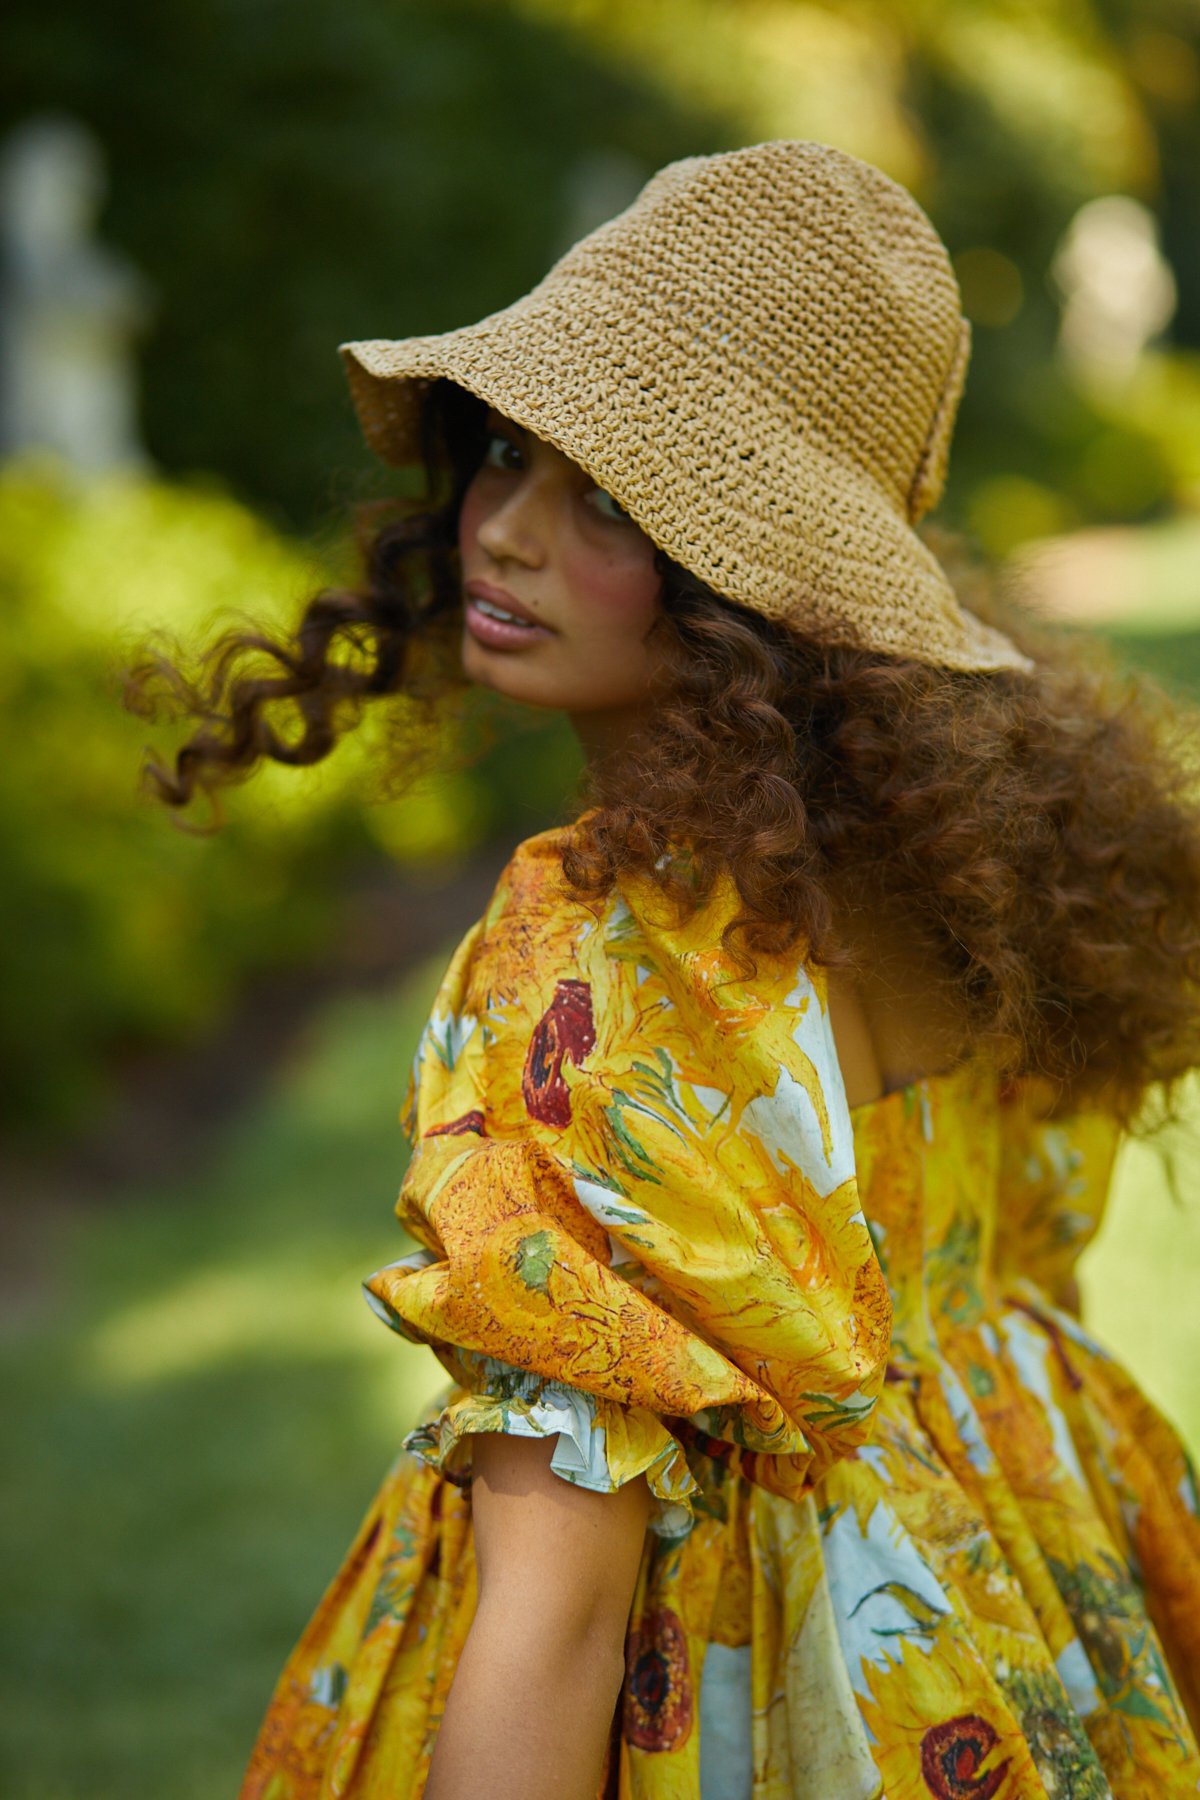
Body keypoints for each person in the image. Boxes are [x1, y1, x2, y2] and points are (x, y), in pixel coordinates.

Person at [129, 141, 1200, 1798]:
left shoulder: (601, 960)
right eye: (508, 458)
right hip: (995, 1612)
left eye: (617, 501)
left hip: (724, 1685)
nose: (507, 534)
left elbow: (560, 1609)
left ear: (758, 583)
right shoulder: (976, 873)